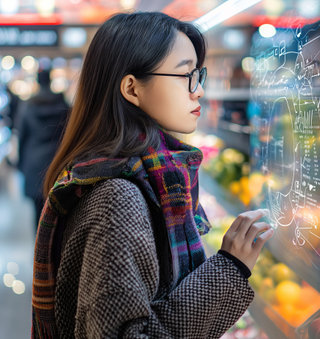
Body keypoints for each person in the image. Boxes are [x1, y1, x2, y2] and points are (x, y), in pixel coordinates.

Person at [32, 12, 274, 338]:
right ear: (132, 88)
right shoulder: (119, 198)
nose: (199, 90)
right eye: (185, 75)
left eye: (198, 74)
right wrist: (230, 266)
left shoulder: (141, 175)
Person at [17, 68, 69, 228]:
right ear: (51, 81)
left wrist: (20, 164)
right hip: (57, 162)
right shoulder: (63, 105)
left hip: (34, 162)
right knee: (58, 211)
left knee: (37, 212)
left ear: (38, 81)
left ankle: (39, 248)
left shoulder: (28, 106)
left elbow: (22, 137)